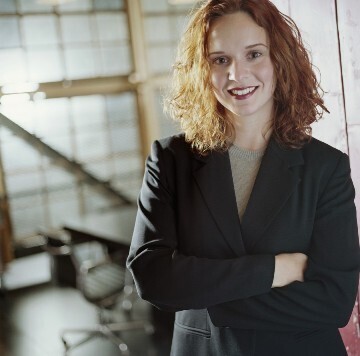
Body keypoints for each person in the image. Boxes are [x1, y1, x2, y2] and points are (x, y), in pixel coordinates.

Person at [127, 0, 360, 355]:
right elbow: (152, 277)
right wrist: (276, 270)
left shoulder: (326, 167)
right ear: (202, 70)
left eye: (254, 54)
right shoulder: (171, 159)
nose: (237, 75)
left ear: (279, 60)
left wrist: (206, 298)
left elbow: (334, 301)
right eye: (220, 60)